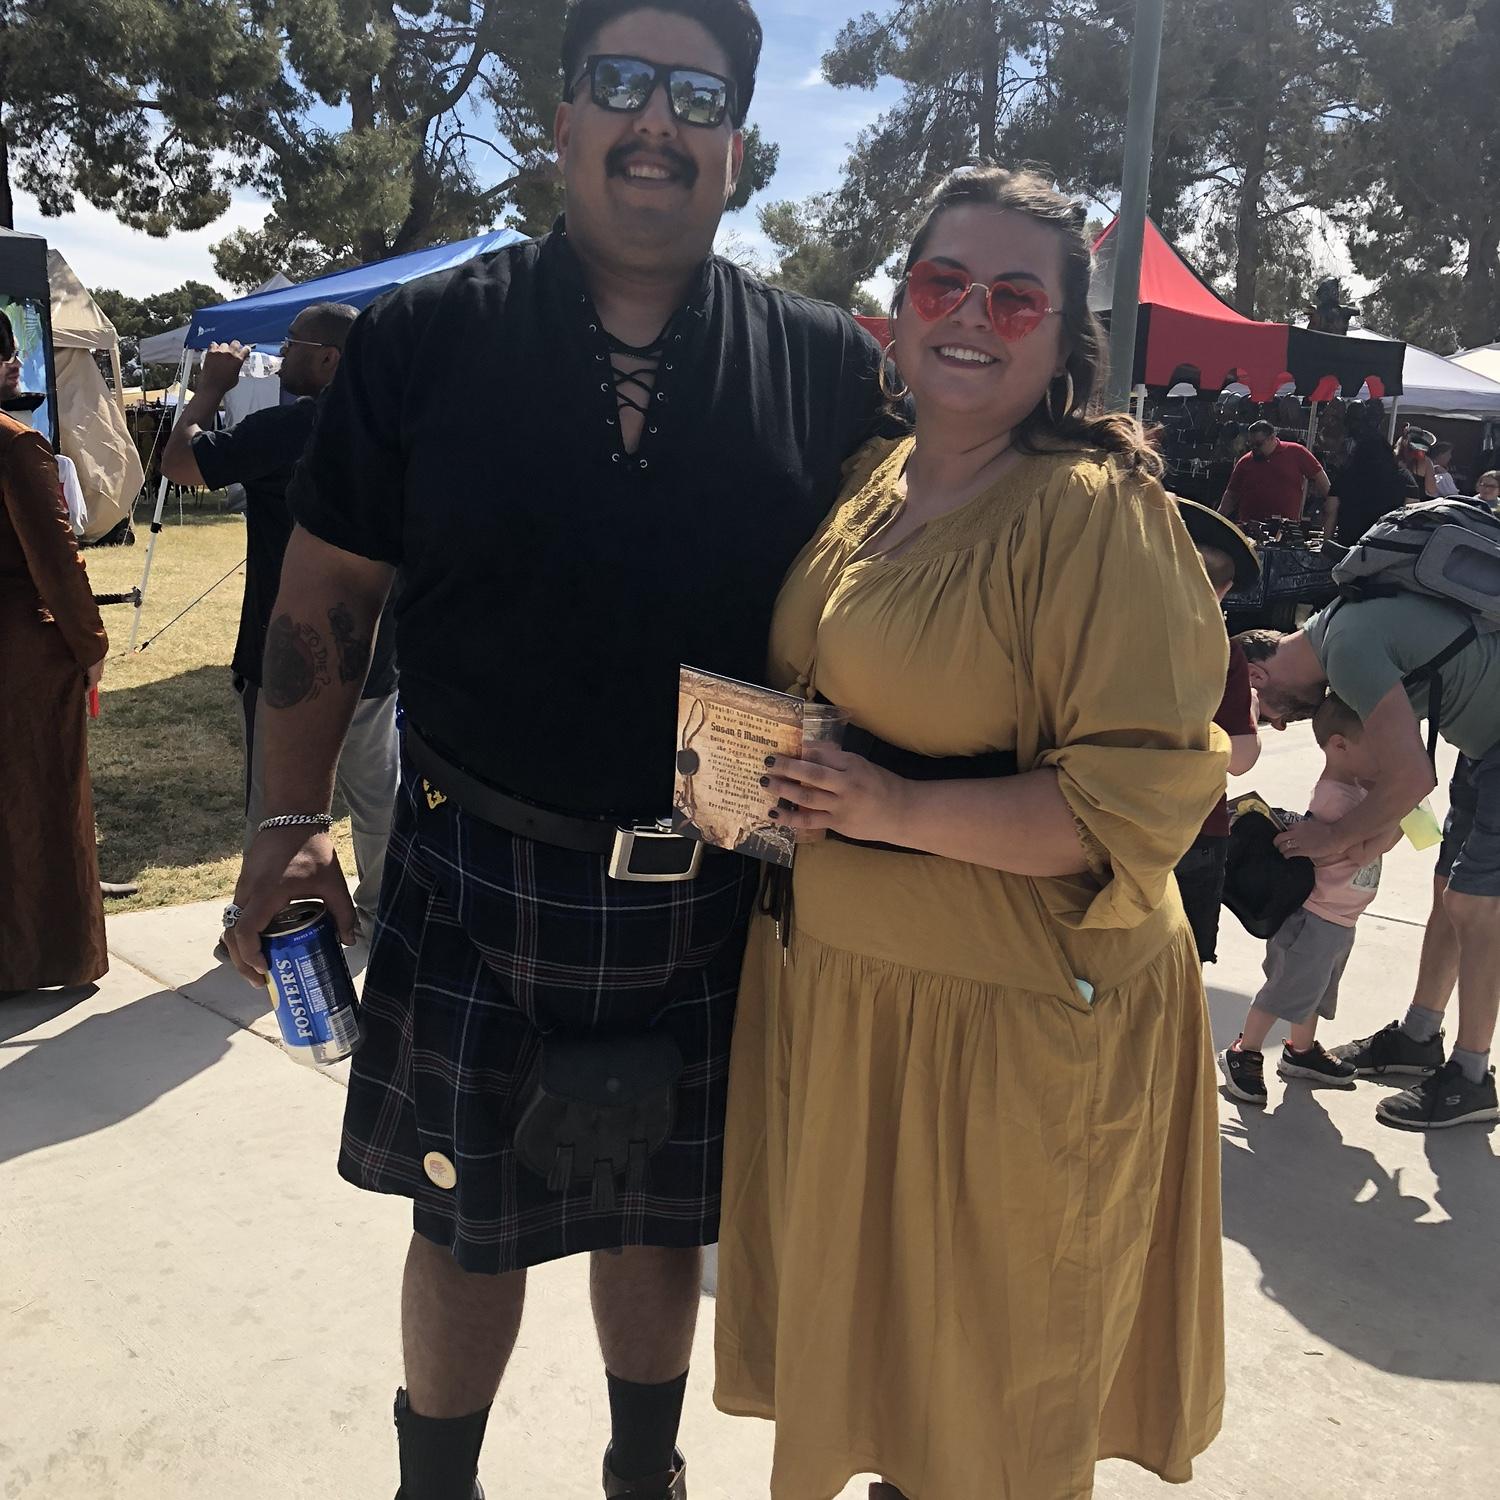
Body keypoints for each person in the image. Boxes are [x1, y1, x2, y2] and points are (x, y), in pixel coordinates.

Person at [222, 2, 888, 1496]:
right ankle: (435, 1485)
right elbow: (325, 596)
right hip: (479, 853)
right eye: (623, 85)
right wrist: (287, 824)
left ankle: (643, 1479)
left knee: (662, 1217)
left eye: (694, 98)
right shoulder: (429, 336)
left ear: (735, 142)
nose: (657, 123)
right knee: (465, 1218)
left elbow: (942, 546)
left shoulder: (827, 363)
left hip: (714, 866)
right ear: (567, 117)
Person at [713, 166, 1230, 1500]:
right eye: (947, 284)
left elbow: (1141, 803)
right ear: (898, 306)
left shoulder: (1097, 514)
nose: (974, 318)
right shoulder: (877, 478)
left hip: (1007, 1025)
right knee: (896, 1386)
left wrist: (897, 808)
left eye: (1016, 298)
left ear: (1065, 342)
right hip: (851, 1002)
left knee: (990, 1409)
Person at [161, 303, 399, 928]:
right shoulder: (397, 431)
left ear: (329, 360)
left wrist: (211, 387)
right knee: (379, 801)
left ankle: (274, 925)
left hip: (286, 654)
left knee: (278, 807)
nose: (281, 354)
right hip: (373, 653)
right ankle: (385, 917)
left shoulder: (289, 430)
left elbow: (179, 462)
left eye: (293, 343)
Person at [1238, 600, 1500, 1129]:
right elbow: (1399, 779)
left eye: (1263, 713)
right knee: (1450, 890)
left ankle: (1471, 1078)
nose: (1280, 725)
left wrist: (1337, 837)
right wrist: (1371, 834)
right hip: (1483, 746)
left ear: (1255, 675)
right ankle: (1419, 1037)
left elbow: (1411, 778)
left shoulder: (1349, 647)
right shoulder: (1340, 634)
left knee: (1475, 904)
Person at [1219, 696, 1382, 1105]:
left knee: (1313, 990)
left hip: (1339, 917)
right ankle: (1244, 1051)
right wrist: (1399, 815)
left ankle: (1301, 1051)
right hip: (1314, 916)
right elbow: (1355, 851)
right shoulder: (1334, 797)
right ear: (1340, 745)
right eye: (1375, 745)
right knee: (1283, 989)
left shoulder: (1359, 790)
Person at [0, 405, 109, 996]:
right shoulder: (14, 444)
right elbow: (53, 554)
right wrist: (89, 641)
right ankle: (42, 955)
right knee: (35, 801)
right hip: (16, 658)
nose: (15, 363)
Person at [1172, 499, 1261, 963]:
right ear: (1224, 591)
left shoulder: (1096, 635)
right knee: (1180, 963)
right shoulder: (1222, 653)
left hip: (1101, 817)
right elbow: (1242, 757)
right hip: (1194, 828)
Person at [1323, 405, 1409, 545]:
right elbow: (1411, 507)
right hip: (1384, 545)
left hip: (1349, 543)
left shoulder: (1346, 474)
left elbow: (1330, 510)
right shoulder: (1401, 477)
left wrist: (1327, 543)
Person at [1218, 418, 1330, 525]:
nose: (1254, 448)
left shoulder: (1296, 452)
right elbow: (1231, 495)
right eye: (1251, 444)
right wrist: (1218, 519)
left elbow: (1320, 477)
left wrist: (1331, 508)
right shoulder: (1245, 462)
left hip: (1285, 528)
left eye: (1258, 444)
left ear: (1272, 438)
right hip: (1250, 527)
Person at [1396, 426, 1440, 500]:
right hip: (1414, 505)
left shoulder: (1392, 456)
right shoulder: (1425, 461)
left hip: (1392, 501)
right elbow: (1431, 490)